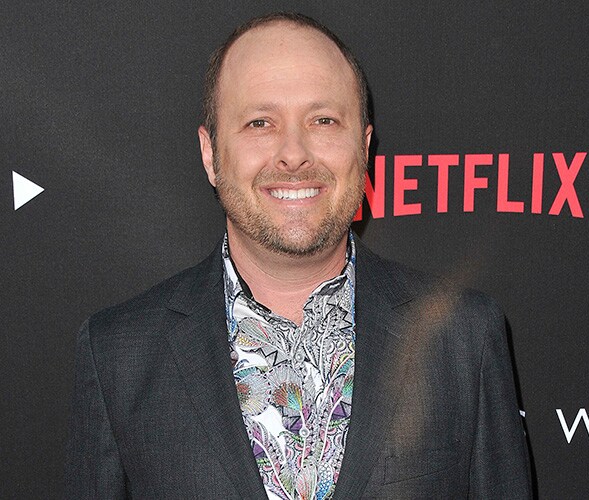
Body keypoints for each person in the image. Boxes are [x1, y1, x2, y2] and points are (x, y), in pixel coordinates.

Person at [65, 12, 532, 499]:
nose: (293, 154)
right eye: (260, 123)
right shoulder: (118, 354)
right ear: (210, 153)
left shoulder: (463, 337)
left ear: (364, 148)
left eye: (323, 120)